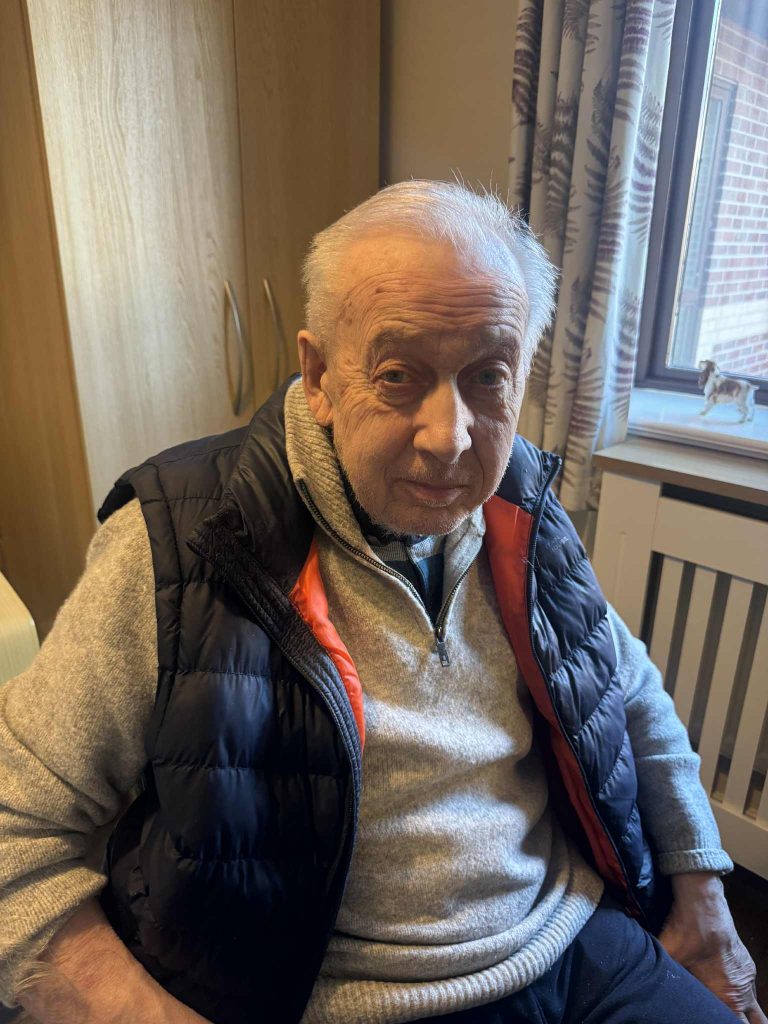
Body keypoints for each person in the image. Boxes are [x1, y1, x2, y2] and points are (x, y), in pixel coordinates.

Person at [0, 181, 763, 1024]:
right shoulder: (180, 544)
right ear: (319, 376)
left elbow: (627, 689)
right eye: (399, 375)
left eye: (488, 377)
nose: (451, 438)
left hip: (571, 941)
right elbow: (14, 829)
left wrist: (705, 895)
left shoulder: (523, 506)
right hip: (340, 999)